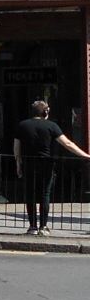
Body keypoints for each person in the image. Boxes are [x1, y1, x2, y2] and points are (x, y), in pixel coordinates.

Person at [14, 100, 90, 236]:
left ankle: (32, 227)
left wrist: (18, 164)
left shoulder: (22, 125)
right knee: (45, 194)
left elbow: (16, 148)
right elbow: (67, 143)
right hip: (46, 164)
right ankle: (43, 227)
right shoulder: (51, 126)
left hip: (28, 163)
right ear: (46, 112)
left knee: (30, 195)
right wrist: (85, 155)